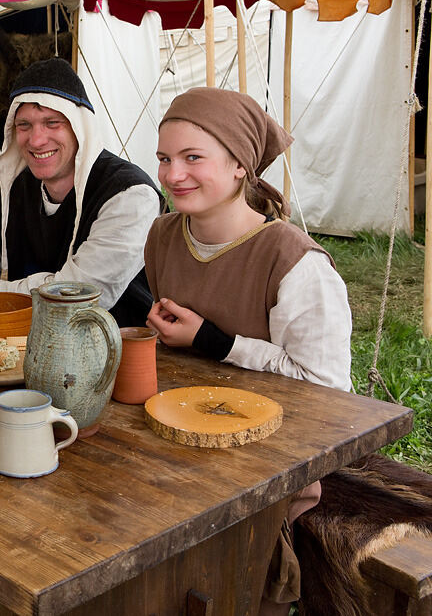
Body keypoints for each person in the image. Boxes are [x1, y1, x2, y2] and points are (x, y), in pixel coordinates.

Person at [144, 86, 352, 616]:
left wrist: (215, 342)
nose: (172, 176)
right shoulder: (163, 236)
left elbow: (329, 394)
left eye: (194, 158)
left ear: (240, 165)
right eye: (165, 158)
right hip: (174, 442)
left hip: (268, 465)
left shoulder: (294, 261)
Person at [0, 57, 163, 327]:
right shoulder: (12, 192)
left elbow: (78, 293)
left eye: (52, 123)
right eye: (25, 125)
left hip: (122, 356)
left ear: (79, 126)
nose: (36, 139)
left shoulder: (130, 195)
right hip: (33, 348)